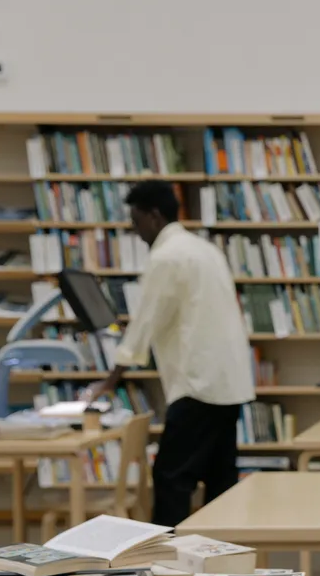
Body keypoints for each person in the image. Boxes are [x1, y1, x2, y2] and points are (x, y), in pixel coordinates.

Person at [89, 180, 254, 527]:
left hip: (198, 384)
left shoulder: (166, 256)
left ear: (154, 216)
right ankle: (220, 550)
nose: (136, 232)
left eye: (136, 222)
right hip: (229, 382)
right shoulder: (205, 250)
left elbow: (146, 322)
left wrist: (110, 381)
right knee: (220, 480)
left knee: (171, 477)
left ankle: (165, 554)